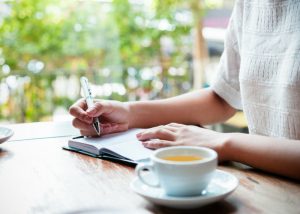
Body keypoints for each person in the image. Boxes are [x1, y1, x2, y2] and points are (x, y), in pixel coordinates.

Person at [69, 0, 300, 180]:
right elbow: (222, 98)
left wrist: (225, 143)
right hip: (263, 185)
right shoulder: (250, 5)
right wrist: (128, 112)